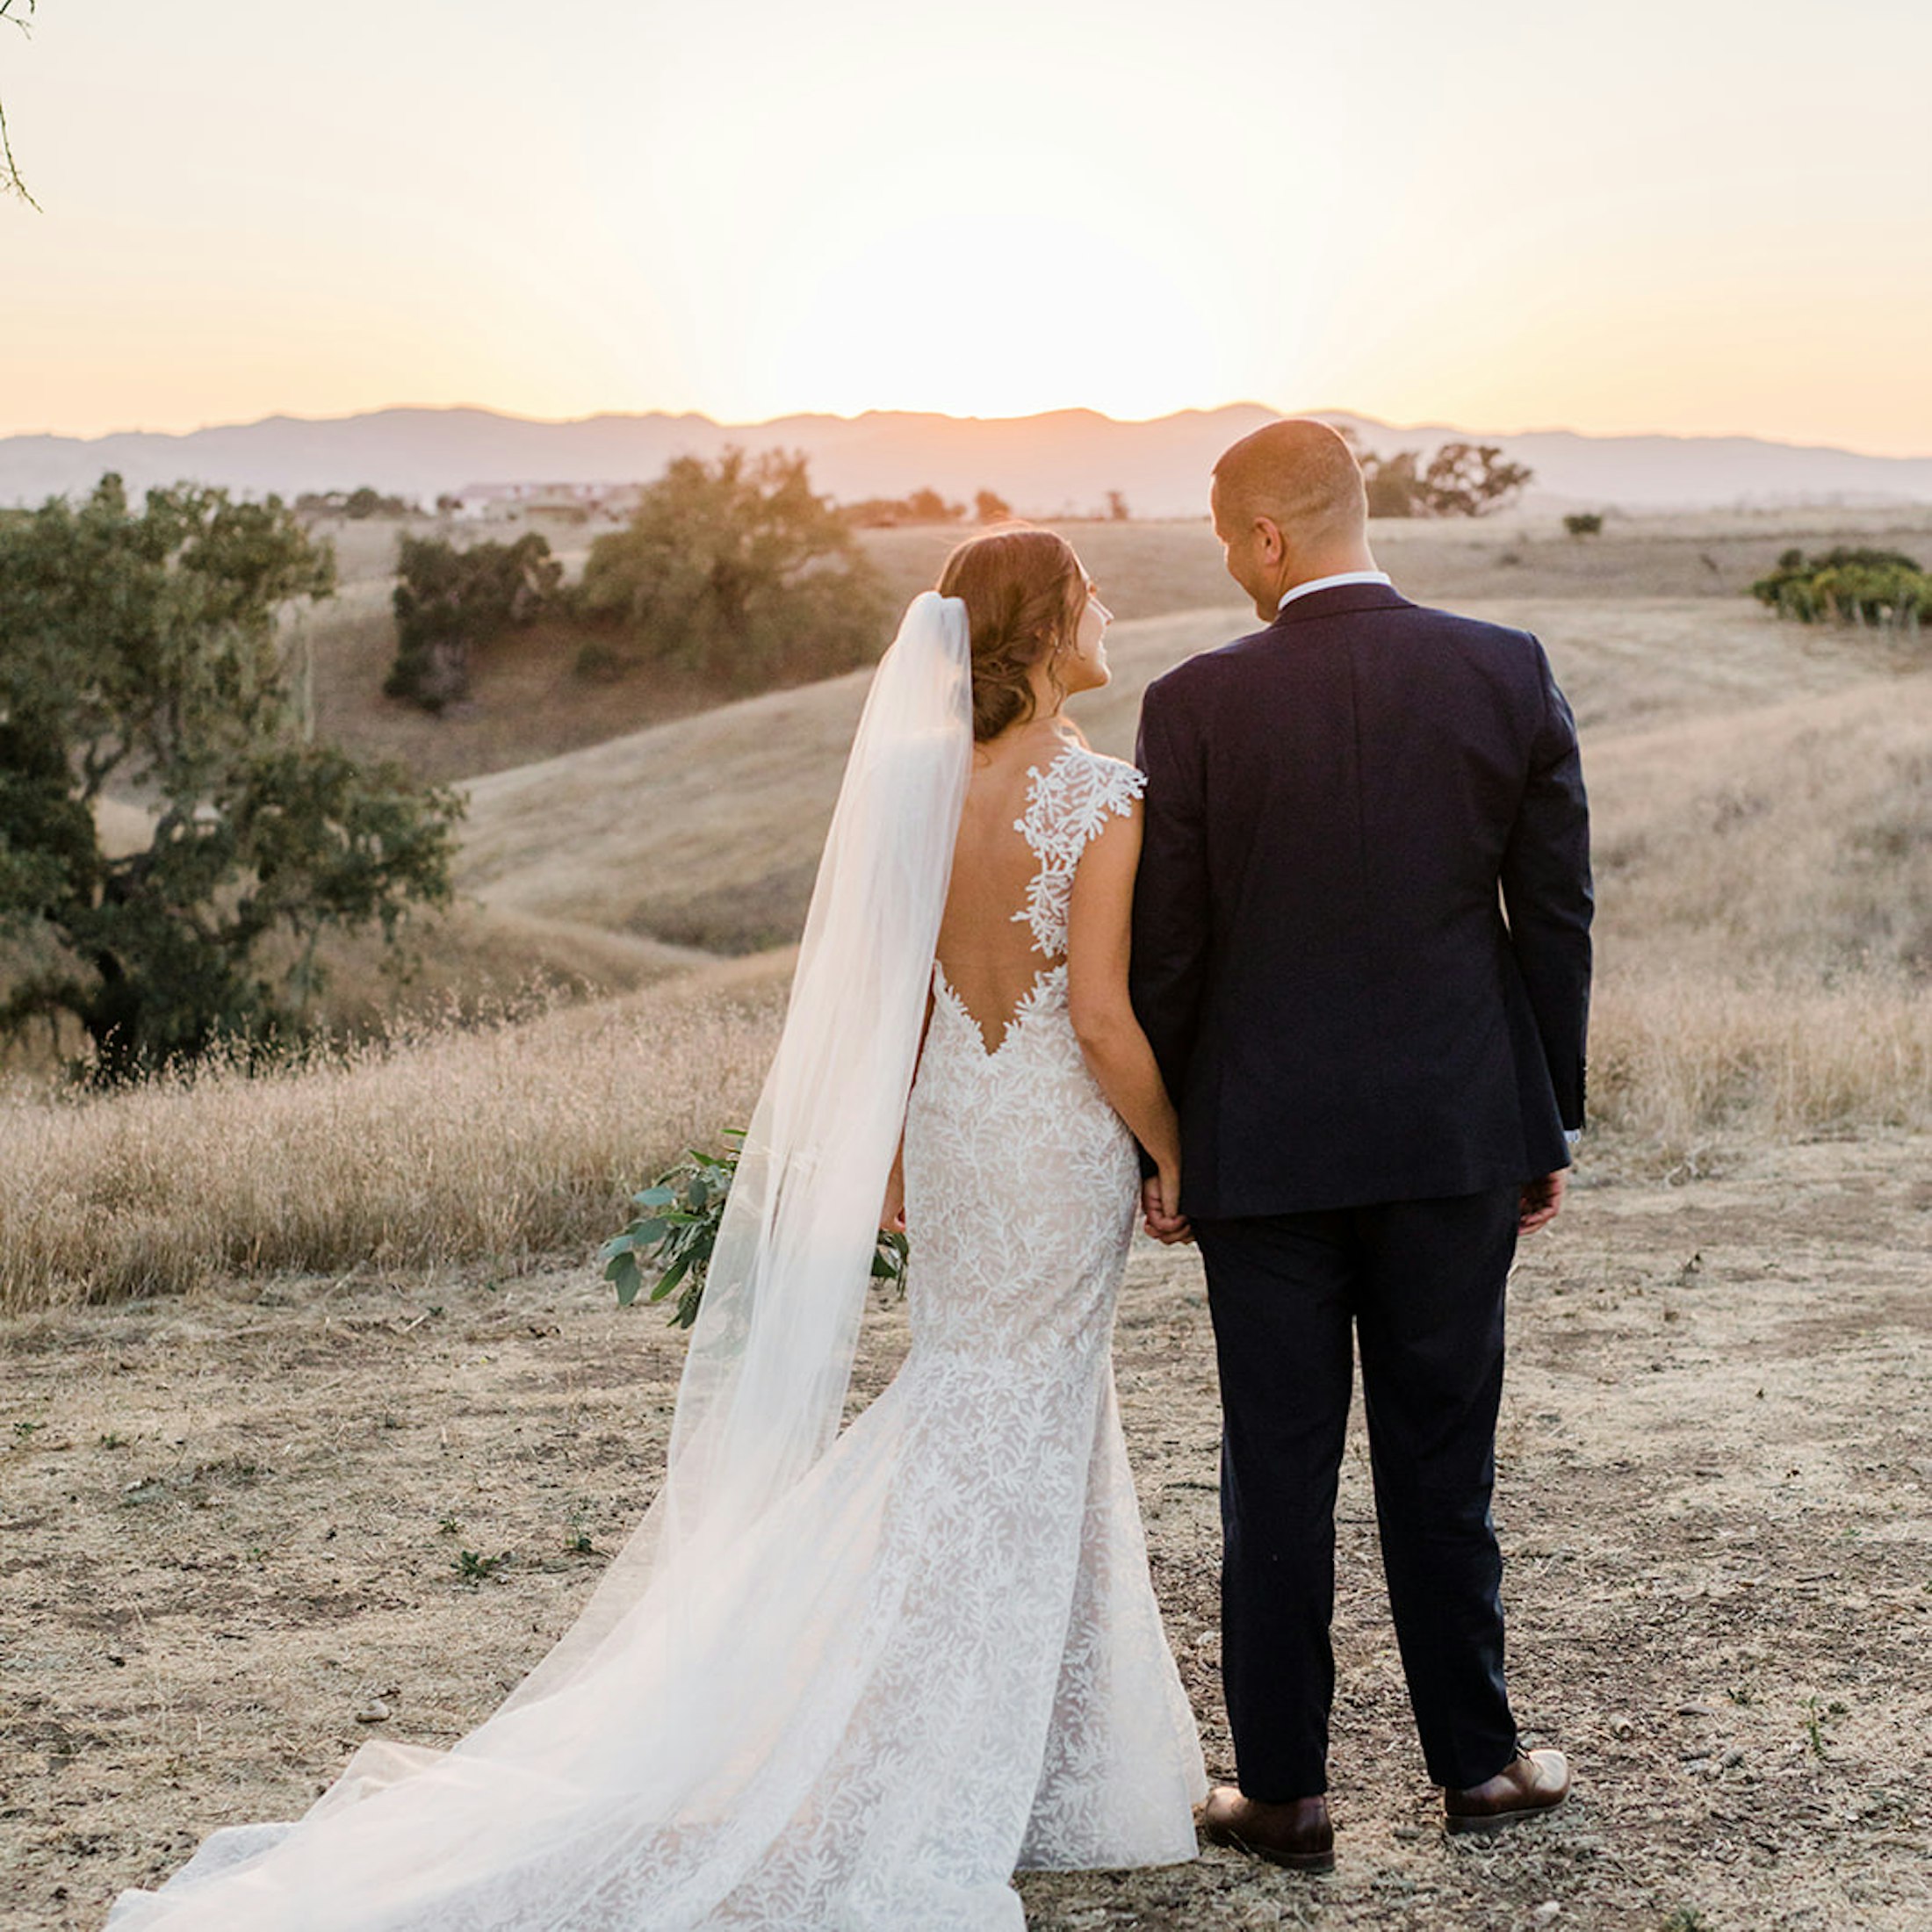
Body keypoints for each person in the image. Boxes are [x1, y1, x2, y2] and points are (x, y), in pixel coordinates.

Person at [106, 527, 1206, 1931]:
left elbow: (907, 1007)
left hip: (954, 1128)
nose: (1110, 606)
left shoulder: (926, 789)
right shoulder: (1101, 795)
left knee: (999, 1411)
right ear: (1048, 630)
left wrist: (881, 1156)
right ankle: (942, 1767)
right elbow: (1102, 1020)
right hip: (1050, 1142)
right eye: (1089, 592)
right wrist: (1180, 1153)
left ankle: (1065, 1768)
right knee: (1013, 1427)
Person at [1130, 419, 1592, 1871]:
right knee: (1441, 1456)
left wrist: (1164, 1144)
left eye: (1225, 539)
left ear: (1267, 539)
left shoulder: (1192, 700)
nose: (1229, 564)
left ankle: (1282, 1793)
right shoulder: (1503, 667)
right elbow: (1556, 916)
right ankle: (1481, 1766)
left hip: (1259, 1153)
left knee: (1276, 1468)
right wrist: (1546, 1114)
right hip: (1457, 1130)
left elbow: (1171, 951)